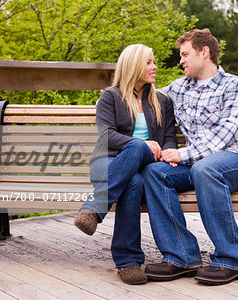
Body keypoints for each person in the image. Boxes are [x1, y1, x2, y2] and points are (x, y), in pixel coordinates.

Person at [142, 29, 238, 285]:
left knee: (205, 169)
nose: (181, 60)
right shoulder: (178, 88)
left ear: (204, 52)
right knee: (155, 173)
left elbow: (223, 136)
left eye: (185, 54)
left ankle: (233, 259)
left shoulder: (235, 85)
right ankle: (182, 256)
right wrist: (111, 97)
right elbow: (143, 96)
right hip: (198, 165)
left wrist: (182, 153)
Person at [74, 44, 177, 285]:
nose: (155, 67)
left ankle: (95, 208)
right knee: (133, 180)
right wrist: (140, 145)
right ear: (133, 66)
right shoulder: (111, 96)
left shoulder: (162, 100)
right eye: (149, 62)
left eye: (154, 62)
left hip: (146, 163)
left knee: (139, 157)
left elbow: (169, 135)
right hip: (108, 162)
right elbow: (107, 135)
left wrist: (168, 151)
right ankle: (128, 262)